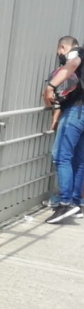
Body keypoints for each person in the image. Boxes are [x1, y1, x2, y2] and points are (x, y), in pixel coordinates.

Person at [42, 36, 84, 223]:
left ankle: (65, 202)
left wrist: (50, 87)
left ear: (63, 47)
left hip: (77, 110)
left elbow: (72, 64)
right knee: (78, 159)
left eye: (60, 51)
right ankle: (76, 202)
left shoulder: (76, 52)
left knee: (61, 155)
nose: (60, 55)